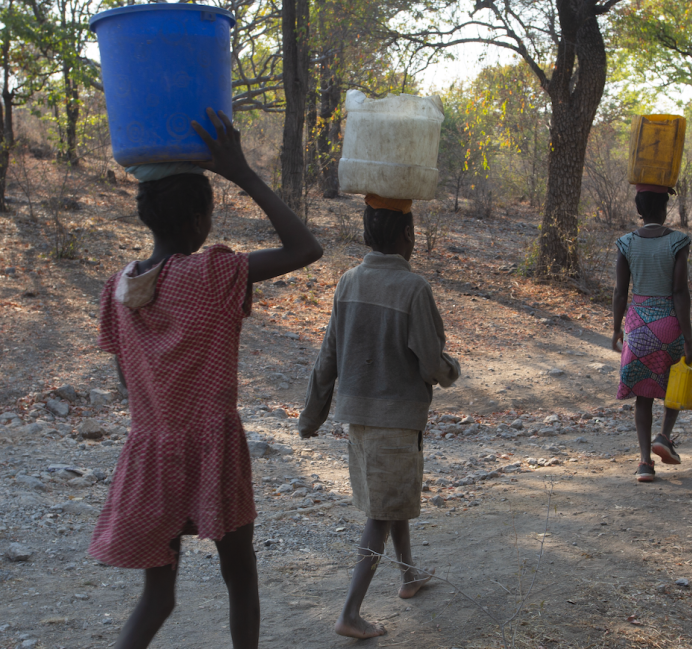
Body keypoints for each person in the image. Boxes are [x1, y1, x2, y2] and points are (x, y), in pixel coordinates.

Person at [89, 109, 323, 649]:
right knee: (239, 578)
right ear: (199, 221)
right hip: (212, 449)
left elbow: (127, 378)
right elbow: (306, 249)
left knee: (158, 598)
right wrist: (241, 172)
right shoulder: (211, 274)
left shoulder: (118, 289)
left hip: (151, 453)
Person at [299, 195, 460, 639]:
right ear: (407, 236)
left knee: (391, 501)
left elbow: (327, 356)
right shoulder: (414, 289)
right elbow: (431, 361)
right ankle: (350, 613)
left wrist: (311, 416)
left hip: (360, 421)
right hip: (396, 418)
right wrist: (451, 371)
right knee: (382, 514)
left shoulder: (347, 282)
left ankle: (408, 575)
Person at [611, 184, 692, 483]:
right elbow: (679, 291)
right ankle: (664, 435)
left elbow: (621, 292)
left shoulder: (625, 243)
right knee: (676, 383)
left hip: (637, 326)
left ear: (638, 209)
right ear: (665, 209)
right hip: (668, 324)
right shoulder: (678, 241)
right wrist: (687, 339)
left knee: (643, 397)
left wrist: (615, 328)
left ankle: (645, 463)